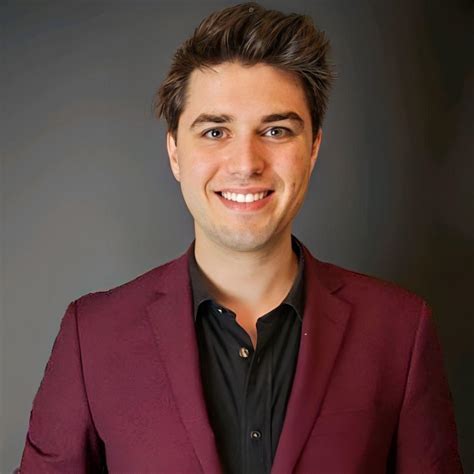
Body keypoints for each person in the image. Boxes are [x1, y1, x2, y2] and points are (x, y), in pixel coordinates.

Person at [18, 2, 462, 473]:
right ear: (175, 152)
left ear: (313, 148)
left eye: (275, 130)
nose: (246, 163)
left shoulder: (400, 331)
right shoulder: (92, 336)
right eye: (215, 132)